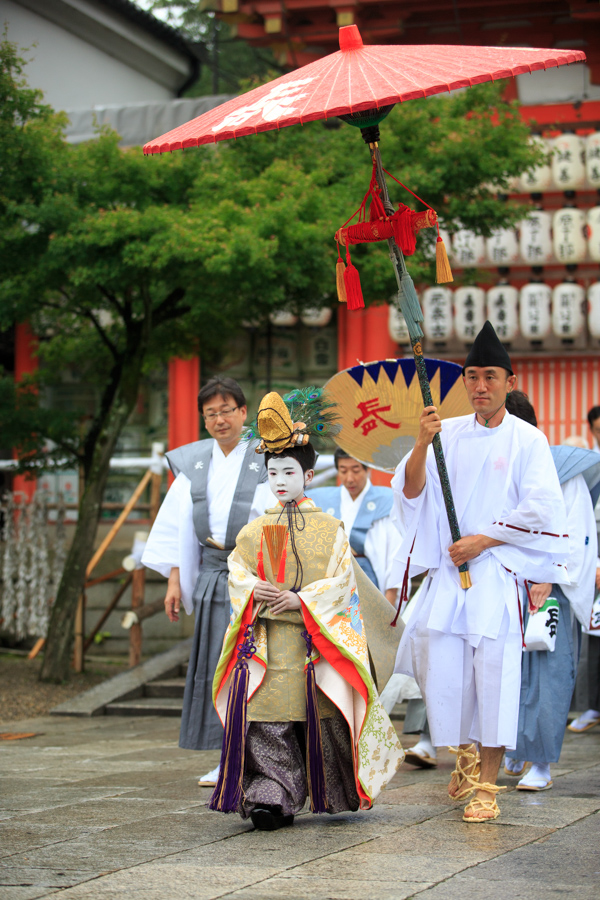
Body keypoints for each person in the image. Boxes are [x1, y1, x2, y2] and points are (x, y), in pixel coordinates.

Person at [392, 321, 568, 822]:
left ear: (510, 383)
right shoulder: (444, 432)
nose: (480, 386)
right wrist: (422, 444)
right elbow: (410, 494)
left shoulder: (528, 439)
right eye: (472, 376)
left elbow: (541, 507)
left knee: (493, 675)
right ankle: (464, 756)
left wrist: (484, 539)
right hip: (451, 572)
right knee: (440, 664)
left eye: (491, 376)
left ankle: (487, 784)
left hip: (494, 571)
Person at [208, 389, 404, 830]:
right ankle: (271, 798)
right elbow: (236, 572)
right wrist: (255, 588)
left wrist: (301, 600)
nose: (280, 480)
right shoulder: (256, 529)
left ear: (309, 475)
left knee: (322, 714)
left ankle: (329, 793)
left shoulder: (330, 529)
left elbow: (341, 585)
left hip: (315, 641)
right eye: (273, 472)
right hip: (270, 642)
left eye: (289, 471)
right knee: (268, 716)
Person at [142, 376, 272, 785]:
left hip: (259, 575)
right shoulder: (194, 462)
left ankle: (265, 756)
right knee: (219, 666)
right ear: (204, 418)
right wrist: (174, 580)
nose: (219, 420)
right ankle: (225, 755)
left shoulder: (267, 454)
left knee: (259, 665)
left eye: (227, 411)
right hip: (214, 575)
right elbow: (176, 526)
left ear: (243, 412)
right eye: (211, 413)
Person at [504, 392, 599, 789]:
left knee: (549, 673)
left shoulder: (563, 467)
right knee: (508, 673)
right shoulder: (492, 465)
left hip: (549, 587)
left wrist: (549, 575)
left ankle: (541, 761)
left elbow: (577, 530)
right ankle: (510, 747)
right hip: (506, 581)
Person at [309, 449, 401, 605]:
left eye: (356, 470)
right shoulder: (322, 501)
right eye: (343, 471)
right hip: (334, 582)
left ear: (367, 469)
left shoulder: (386, 502)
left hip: (369, 579)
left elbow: (395, 556)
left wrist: (390, 604)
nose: (349, 478)